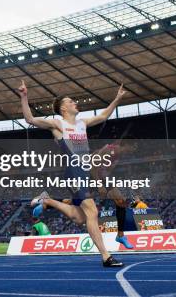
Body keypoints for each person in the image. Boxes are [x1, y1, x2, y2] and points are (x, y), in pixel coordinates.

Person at [19, 80, 124, 267]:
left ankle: (49, 201)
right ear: (63, 109)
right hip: (73, 172)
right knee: (92, 211)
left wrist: (116, 99)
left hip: (85, 173)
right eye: (70, 101)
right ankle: (106, 256)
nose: (74, 102)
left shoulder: (82, 122)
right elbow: (30, 119)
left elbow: (103, 116)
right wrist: (24, 97)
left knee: (80, 217)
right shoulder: (57, 124)